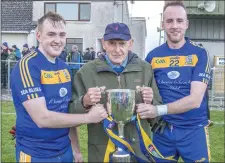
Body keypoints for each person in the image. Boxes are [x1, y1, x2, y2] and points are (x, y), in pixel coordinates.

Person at [10, 11, 108, 162]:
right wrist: (89, 117)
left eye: (62, 35)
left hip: (65, 150)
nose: (57, 40)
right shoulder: (27, 66)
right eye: (51, 34)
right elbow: (42, 118)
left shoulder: (64, 68)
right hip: (36, 153)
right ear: (38, 36)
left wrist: (76, 150)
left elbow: (66, 111)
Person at [69, 22, 163, 162]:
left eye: (122, 43)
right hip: (101, 152)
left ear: (130, 44)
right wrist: (85, 102)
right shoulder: (86, 72)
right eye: (112, 43)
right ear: (104, 44)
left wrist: (151, 104)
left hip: (138, 151)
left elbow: (157, 117)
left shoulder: (145, 69)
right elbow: (70, 114)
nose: (117, 49)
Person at [144, 1, 211, 162]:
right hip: (162, 131)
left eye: (179, 21)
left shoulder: (200, 54)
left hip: (194, 130)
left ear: (187, 24)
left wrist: (157, 110)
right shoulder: (153, 56)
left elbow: (195, 100)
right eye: (169, 21)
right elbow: (146, 92)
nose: (175, 26)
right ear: (163, 25)